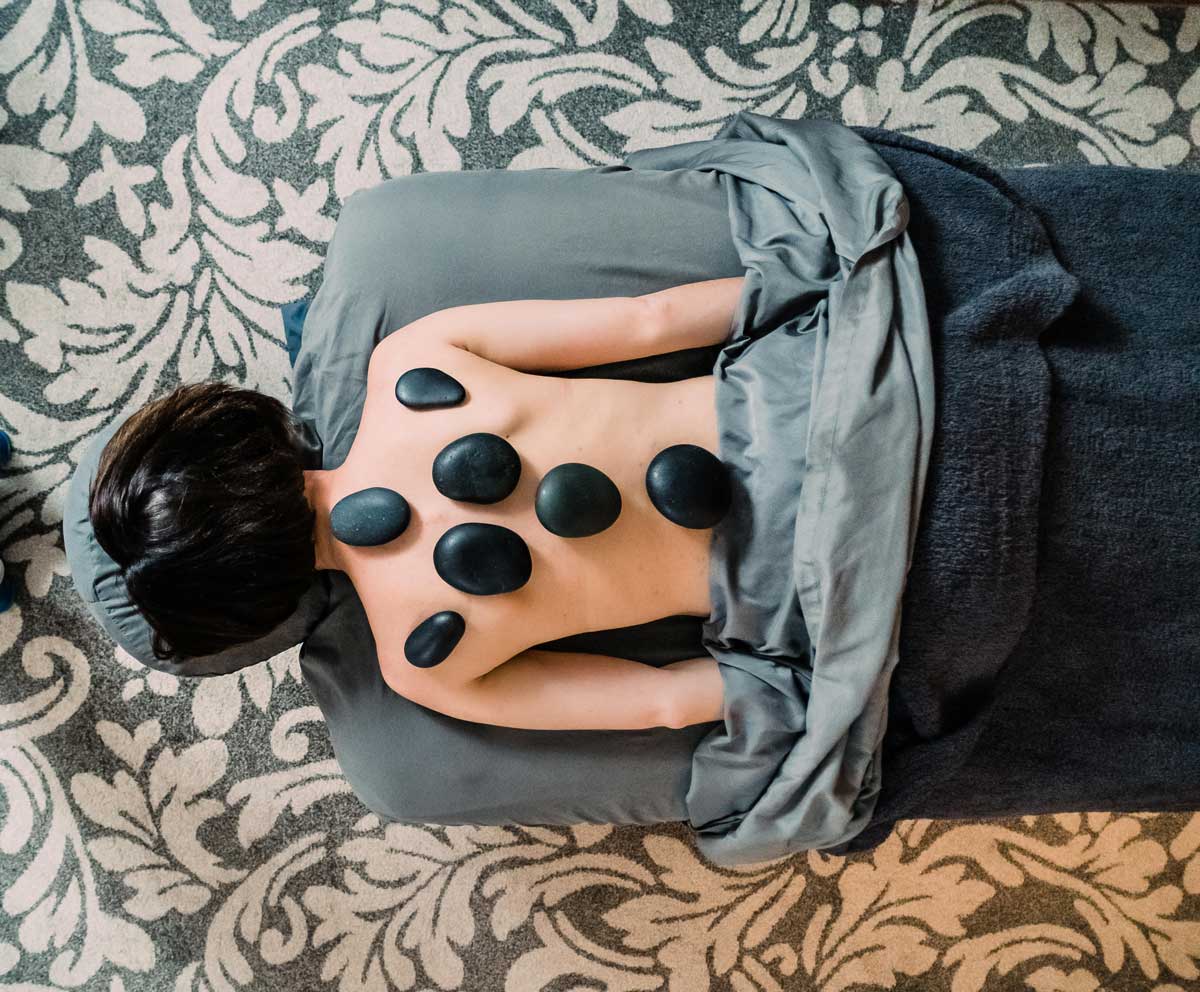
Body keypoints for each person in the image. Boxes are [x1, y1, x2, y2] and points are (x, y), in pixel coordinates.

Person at [88, 276, 748, 732]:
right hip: (776, 405)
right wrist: (797, 287)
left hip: (784, 579)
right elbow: (651, 318)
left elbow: (663, 704)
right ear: (227, 434)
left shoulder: (422, 669)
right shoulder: (408, 359)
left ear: (256, 614)